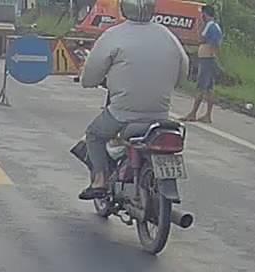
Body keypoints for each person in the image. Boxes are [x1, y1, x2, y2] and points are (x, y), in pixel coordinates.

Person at [77, 0, 188, 200]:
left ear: (124, 8)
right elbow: (183, 68)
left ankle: (100, 180)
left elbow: (92, 72)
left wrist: (88, 81)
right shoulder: (168, 35)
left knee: (94, 135)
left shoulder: (113, 35)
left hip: (123, 113)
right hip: (160, 114)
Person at [182, 4, 223, 122]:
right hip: (206, 59)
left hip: (207, 60)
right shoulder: (210, 26)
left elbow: (214, 43)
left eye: (202, 14)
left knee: (201, 87)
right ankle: (207, 115)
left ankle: (193, 113)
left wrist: (214, 56)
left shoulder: (212, 27)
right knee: (209, 88)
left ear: (205, 14)